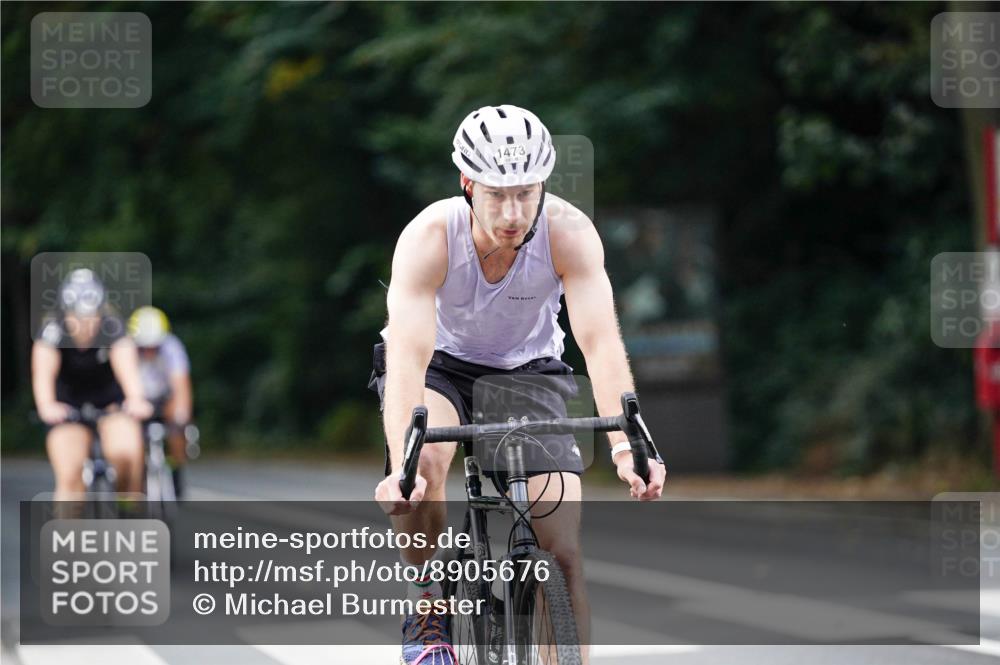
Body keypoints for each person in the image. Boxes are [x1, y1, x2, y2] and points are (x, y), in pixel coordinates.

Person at [371, 105, 667, 665]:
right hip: (440, 365)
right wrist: (402, 464)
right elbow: (408, 356)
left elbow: (600, 342)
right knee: (428, 459)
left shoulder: (570, 233)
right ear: (467, 184)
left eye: (526, 193)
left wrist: (629, 446)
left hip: (527, 370)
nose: (512, 212)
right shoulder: (429, 237)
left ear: (543, 186)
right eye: (496, 194)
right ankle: (429, 603)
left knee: (564, 552)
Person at [31, 268, 154, 502]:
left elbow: (128, 368)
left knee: (126, 455)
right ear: (66, 313)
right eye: (77, 317)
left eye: (91, 317)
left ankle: (128, 511)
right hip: (67, 409)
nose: (84, 325)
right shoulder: (51, 331)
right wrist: (46, 404)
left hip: (110, 404)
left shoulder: (113, 327)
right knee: (70, 475)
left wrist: (136, 398)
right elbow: (42, 372)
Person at [128, 305, 194, 498]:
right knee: (132, 443)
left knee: (177, 426)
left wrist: (182, 413)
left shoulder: (172, 348)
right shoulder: (125, 349)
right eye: (143, 347)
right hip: (136, 400)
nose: (148, 351)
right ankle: (136, 485)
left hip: (164, 399)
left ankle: (176, 468)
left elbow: (181, 385)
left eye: (153, 346)